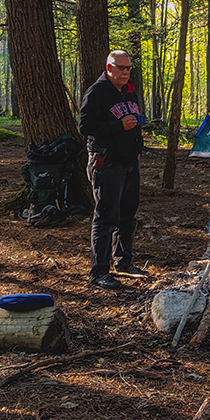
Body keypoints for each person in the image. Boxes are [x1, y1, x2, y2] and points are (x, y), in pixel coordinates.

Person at [79, 50, 149, 288]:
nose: (126, 72)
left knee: (127, 215)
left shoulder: (128, 90)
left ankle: (123, 262)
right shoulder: (96, 92)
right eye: (121, 68)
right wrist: (118, 126)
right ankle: (98, 271)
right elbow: (85, 126)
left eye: (129, 68)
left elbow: (134, 121)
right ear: (109, 68)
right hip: (106, 162)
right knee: (106, 217)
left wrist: (138, 146)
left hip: (130, 161)